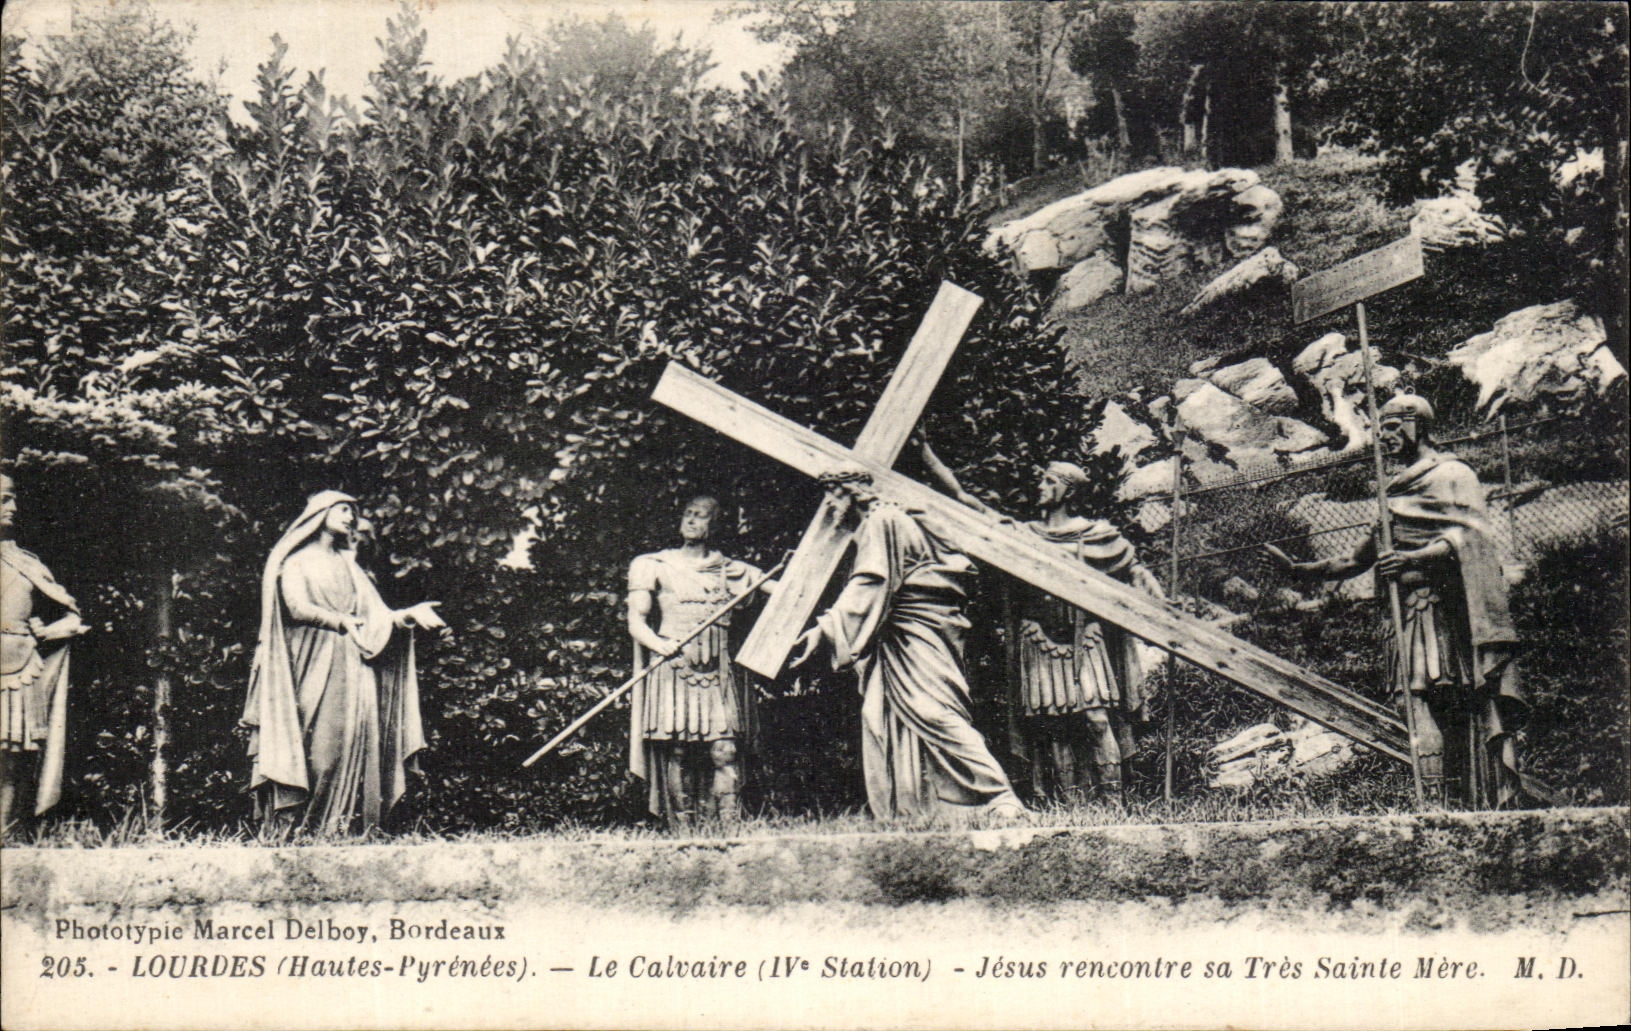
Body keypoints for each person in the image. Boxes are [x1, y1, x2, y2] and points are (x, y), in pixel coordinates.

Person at [1268, 394, 1525, 809]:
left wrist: (1413, 558)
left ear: (1414, 426)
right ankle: (1438, 803)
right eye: (1378, 430)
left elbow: (1468, 538)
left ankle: (1456, 801)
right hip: (1404, 613)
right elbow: (1355, 559)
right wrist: (1298, 569)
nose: (1382, 438)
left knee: (1445, 706)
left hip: (1442, 611)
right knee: (1413, 704)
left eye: (1390, 428)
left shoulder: (1453, 474)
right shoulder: (1395, 491)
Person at [921, 443, 1162, 804]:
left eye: (1050, 482)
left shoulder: (1096, 535)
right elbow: (964, 499)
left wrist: (1162, 605)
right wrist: (926, 451)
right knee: (1055, 728)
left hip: (1086, 639)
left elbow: (1136, 572)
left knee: (1097, 719)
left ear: (1068, 491)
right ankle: (1071, 802)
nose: (1041, 487)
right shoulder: (1025, 534)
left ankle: (1114, 799)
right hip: (1038, 639)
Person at [790, 468, 1027, 823]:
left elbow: (871, 581)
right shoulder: (906, 518)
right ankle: (922, 807)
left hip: (915, 631)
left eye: (833, 496)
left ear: (852, 493)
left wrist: (824, 629)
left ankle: (1000, 795)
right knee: (883, 715)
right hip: (907, 631)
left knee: (932, 711)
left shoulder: (881, 521)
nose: (830, 507)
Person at [242, 491, 446, 837]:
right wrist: (340, 621)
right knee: (320, 750)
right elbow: (296, 607)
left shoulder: (349, 565)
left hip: (354, 664)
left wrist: (408, 616)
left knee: (356, 742)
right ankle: (302, 831)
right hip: (313, 662)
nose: (350, 517)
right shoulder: (296, 561)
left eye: (353, 511)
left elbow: (376, 616)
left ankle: (344, 830)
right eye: (342, 509)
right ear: (319, 514)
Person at [627, 495, 768, 827]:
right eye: (688, 514)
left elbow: (784, 589)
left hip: (717, 671)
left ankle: (729, 825)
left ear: (714, 525)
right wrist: (659, 645)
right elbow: (636, 621)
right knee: (677, 750)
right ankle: (682, 827)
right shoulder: (653, 564)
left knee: (725, 750)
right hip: (673, 667)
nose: (691, 521)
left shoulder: (731, 570)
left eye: (701, 516)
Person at [0, 474, 88, 836]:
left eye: (12, 498)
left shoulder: (27, 563)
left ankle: (6, 831)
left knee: (12, 755)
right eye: (3, 499)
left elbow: (72, 617)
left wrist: (48, 631)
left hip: (18, 667)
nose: (13, 507)